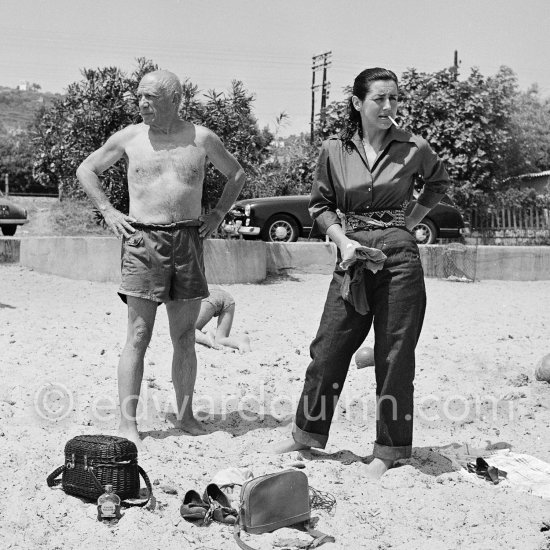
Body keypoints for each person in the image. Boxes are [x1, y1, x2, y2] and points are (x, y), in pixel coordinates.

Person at [272, 68, 450, 480]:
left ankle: (389, 450)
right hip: (351, 257)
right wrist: (342, 241)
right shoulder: (334, 150)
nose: (388, 107)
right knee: (329, 348)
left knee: (394, 354)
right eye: (379, 99)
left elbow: (437, 183)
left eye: (394, 98)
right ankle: (306, 434)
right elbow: (320, 205)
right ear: (358, 103)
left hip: (400, 260)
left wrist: (409, 221)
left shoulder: (414, 146)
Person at [76, 70, 245, 446]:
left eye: (149, 96)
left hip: (187, 239)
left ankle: (185, 416)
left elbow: (236, 174)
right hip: (142, 240)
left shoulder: (201, 138)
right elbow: (86, 169)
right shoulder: (130, 137)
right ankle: (127, 425)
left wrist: (217, 214)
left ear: (174, 99)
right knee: (138, 334)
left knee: (184, 335)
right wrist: (107, 209)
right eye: (139, 96)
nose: (141, 103)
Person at [195, 286, 251, 353]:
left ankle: (208, 339)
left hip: (210, 297)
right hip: (229, 299)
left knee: (190, 330)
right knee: (220, 339)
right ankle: (240, 341)